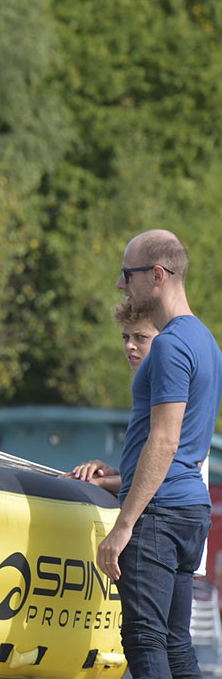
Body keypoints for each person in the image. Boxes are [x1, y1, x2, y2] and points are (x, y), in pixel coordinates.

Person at [96, 229, 220, 678]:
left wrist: (123, 526)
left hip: (159, 515)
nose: (120, 285)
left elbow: (165, 441)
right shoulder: (207, 341)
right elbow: (188, 444)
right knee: (175, 642)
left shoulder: (168, 345)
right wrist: (119, 474)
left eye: (127, 274)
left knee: (144, 640)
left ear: (157, 275)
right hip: (189, 512)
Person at [65, 303, 160, 492]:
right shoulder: (147, 388)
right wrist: (110, 474)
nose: (130, 346)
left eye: (141, 337)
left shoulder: (167, 392)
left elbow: (163, 478)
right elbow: (142, 476)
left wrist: (99, 483)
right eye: (126, 337)